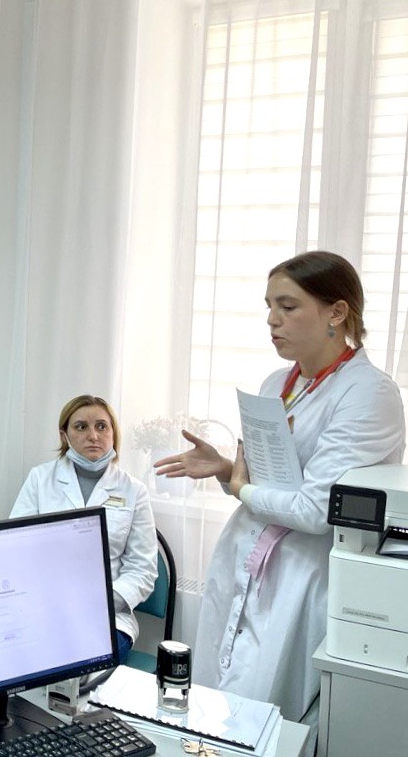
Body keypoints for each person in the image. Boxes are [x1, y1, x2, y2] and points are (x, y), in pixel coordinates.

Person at [155, 250, 406, 724]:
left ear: (337, 312)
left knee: (268, 717)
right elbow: (270, 480)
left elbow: (315, 509)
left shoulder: (368, 393)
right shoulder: (278, 383)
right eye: (269, 306)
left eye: (288, 307)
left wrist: (241, 488)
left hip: (302, 574)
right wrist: (227, 469)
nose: (272, 320)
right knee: (214, 703)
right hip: (245, 557)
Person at [12, 395, 157, 664]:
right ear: (64, 435)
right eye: (81, 427)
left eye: (102, 426)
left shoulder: (133, 490)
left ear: (113, 433)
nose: (93, 436)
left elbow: (143, 570)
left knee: (74, 660)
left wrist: (101, 604)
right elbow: (18, 549)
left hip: (108, 615)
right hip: (45, 606)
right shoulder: (40, 479)